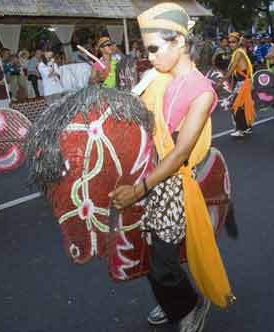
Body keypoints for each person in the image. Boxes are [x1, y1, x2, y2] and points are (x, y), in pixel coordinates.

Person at [110, 3, 234, 332]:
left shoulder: (201, 91)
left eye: (154, 49)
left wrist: (138, 190)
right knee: (151, 254)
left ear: (179, 41)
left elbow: (179, 154)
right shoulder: (156, 79)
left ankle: (191, 304)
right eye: (146, 49)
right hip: (149, 174)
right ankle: (172, 300)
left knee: (161, 261)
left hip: (173, 183)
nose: (149, 57)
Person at [221, 31, 256, 138]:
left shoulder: (239, 53)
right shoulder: (238, 52)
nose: (231, 44)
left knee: (235, 105)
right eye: (230, 42)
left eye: (233, 42)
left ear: (238, 42)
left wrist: (221, 81)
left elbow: (232, 68)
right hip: (243, 82)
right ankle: (247, 127)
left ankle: (241, 129)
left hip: (244, 83)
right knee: (243, 106)